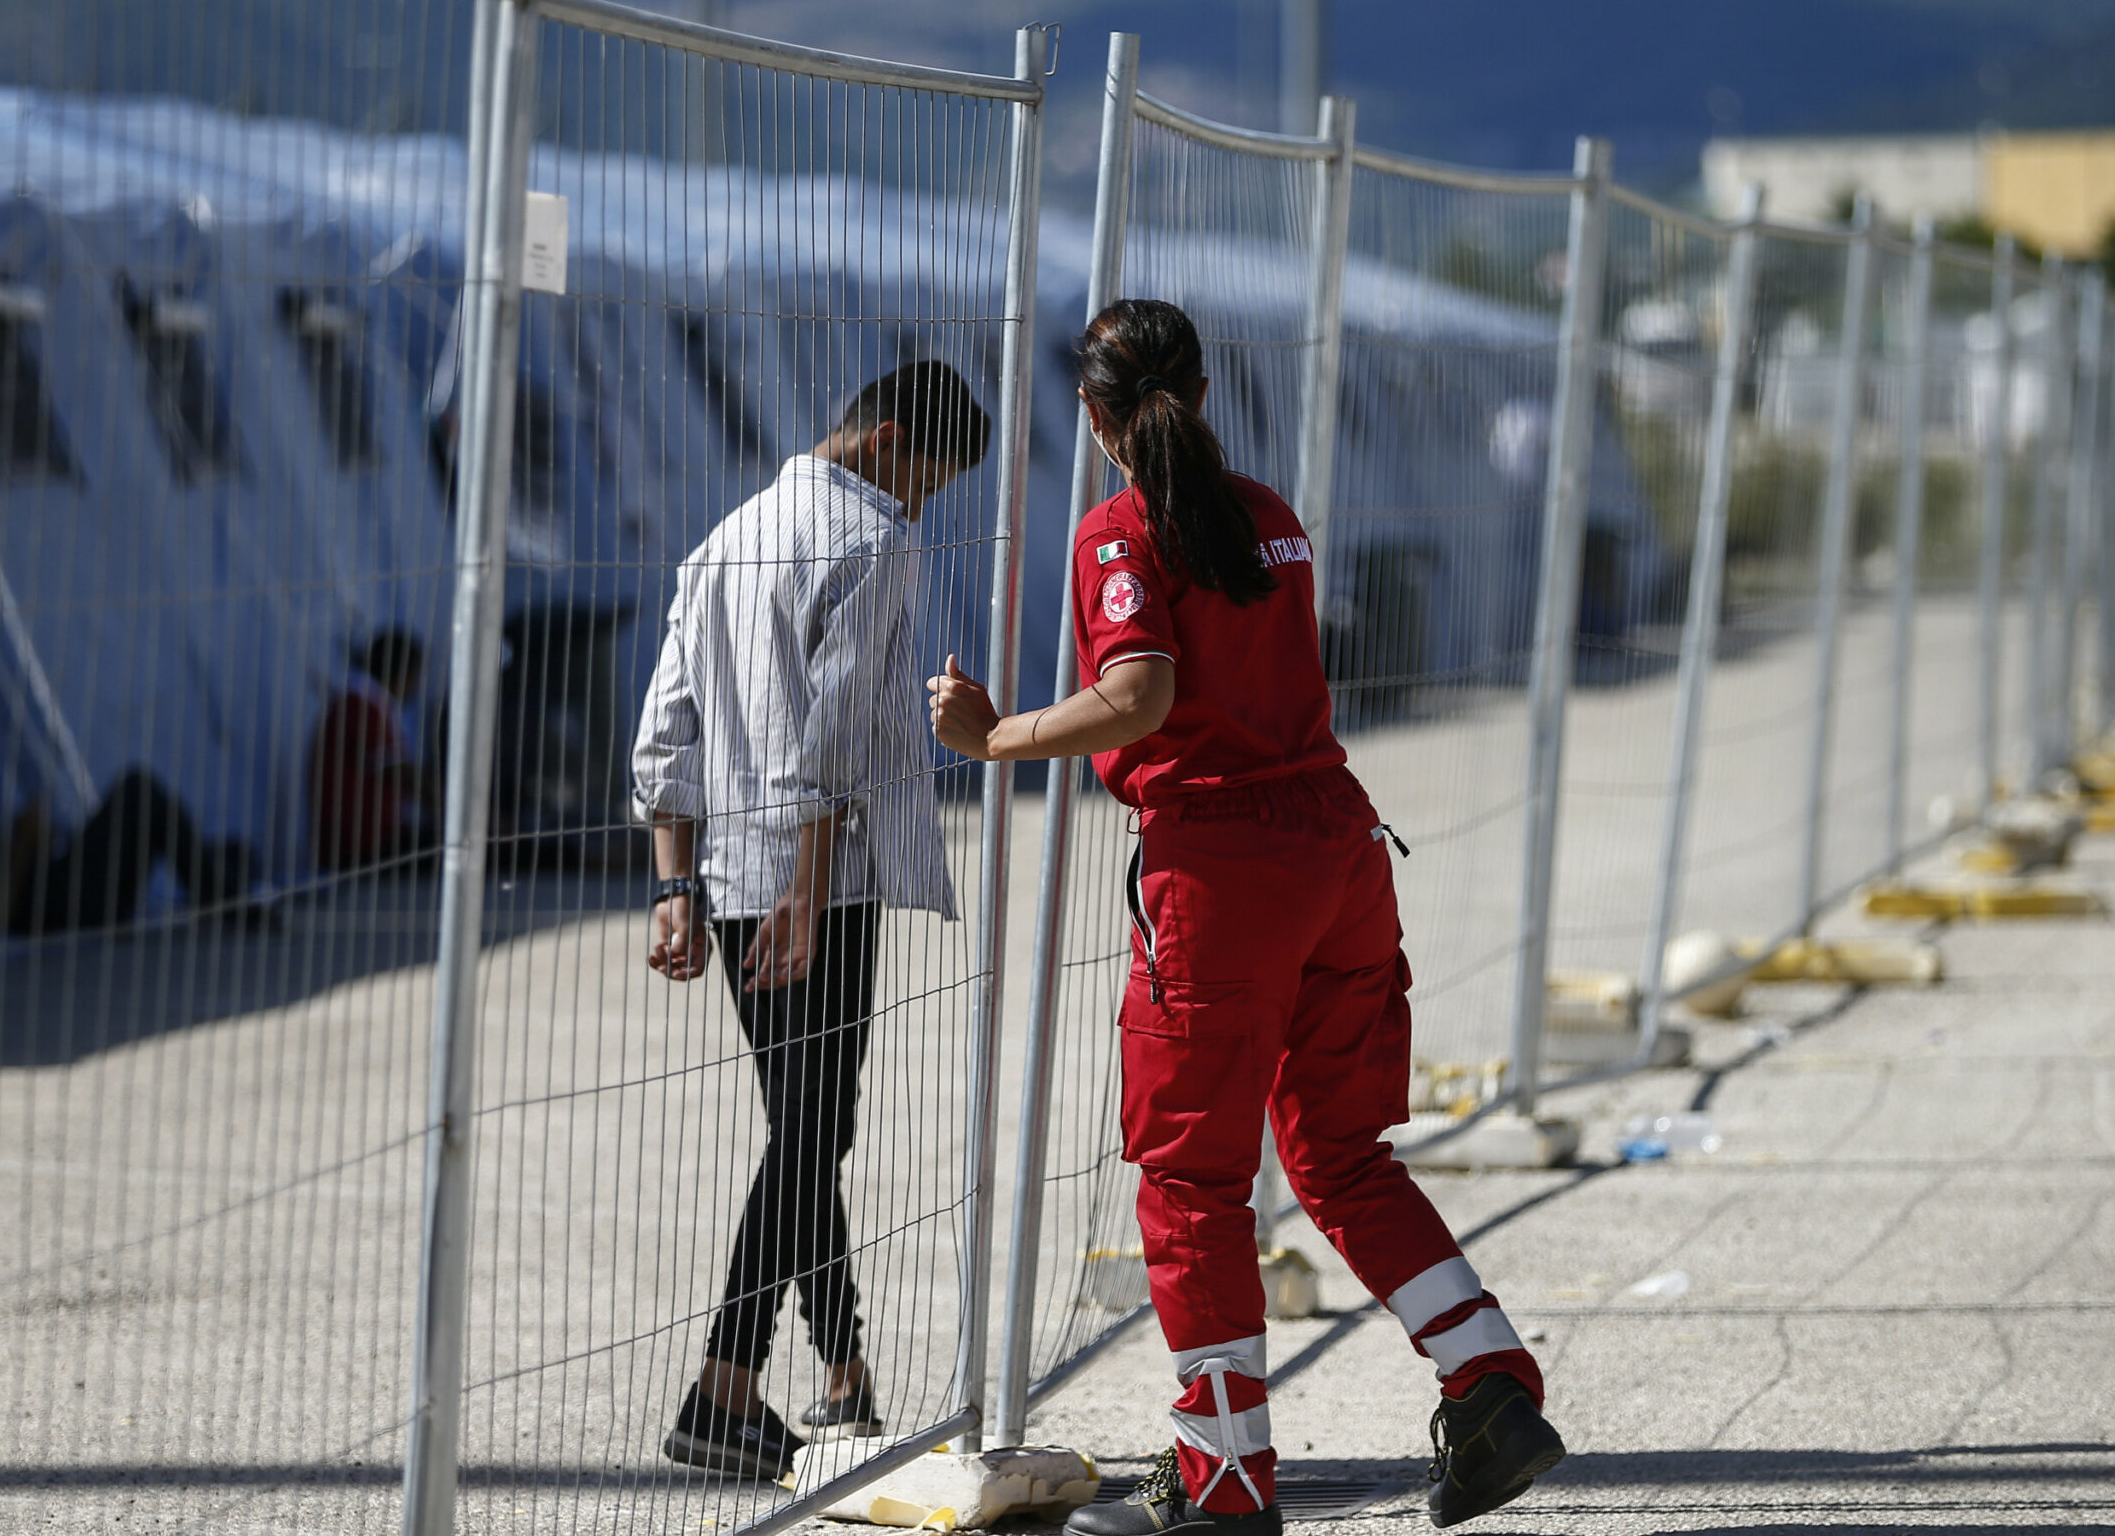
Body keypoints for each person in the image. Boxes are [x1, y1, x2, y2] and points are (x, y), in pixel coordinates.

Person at [929, 300, 1561, 1534]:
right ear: (1205, 393)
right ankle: (1489, 1380)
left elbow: (1140, 694)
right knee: (1340, 1155)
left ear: (1091, 415)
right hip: (1338, 848)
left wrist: (996, 736)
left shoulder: (1121, 531)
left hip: (1222, 875)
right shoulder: (1268, 513)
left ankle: (1222, 1476)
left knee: (1192, 1182)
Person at [632, 360, 989, 1481]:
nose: (922, 505)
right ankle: (723, 1388)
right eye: (927, 481)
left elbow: (666, 730)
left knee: (805, 1126)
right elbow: (834, 733)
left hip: (732, 879)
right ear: (884, 442)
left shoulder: (723, 538)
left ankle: (842, 1369)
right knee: (811, 1126)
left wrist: (676, 885)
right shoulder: (873, 539)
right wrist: (808, 883)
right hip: (814, 887)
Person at [0, 741, 254, 935]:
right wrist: (23, 843)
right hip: (65, 910)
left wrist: (34, 840)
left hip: (67, 891)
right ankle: (219, 894)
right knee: (137, 791)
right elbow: (0, 911)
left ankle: (220, 884)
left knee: (216, 846)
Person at [308, 627, 434, 873]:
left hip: (370, 838)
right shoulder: (360, 705)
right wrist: (460, 810)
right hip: (363, 845)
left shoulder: (368, 702)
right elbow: (400, 773)